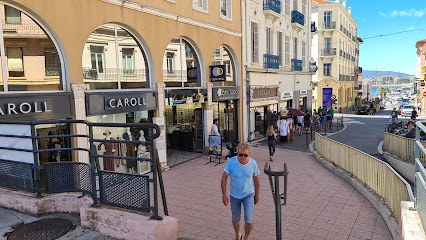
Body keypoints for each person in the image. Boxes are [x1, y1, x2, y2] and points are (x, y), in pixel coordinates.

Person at [221, 142, 260, 240]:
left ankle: (246, 237)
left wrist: (257, 194)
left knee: (249, 220)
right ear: (237, 153)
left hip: (248, 194)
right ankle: (238, 234)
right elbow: (224, 178)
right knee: (235, 218)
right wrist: (224, 194)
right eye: (240, 154)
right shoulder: (231, 162)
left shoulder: (253, 163)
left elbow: (257, 180)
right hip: (234, 195)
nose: (242, 157)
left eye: (245, 155)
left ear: (249, 154)